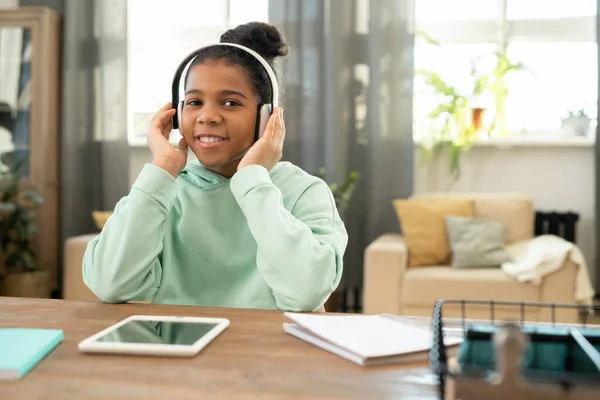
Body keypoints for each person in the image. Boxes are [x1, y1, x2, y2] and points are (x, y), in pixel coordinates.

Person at [82, 22, 348, 312]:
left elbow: (306, 292)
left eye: (231, 103)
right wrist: (162, 169)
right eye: (194, 101)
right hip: (182, 349)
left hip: (270, 352)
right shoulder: (166, 189)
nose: (207, 116)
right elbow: (109, 283)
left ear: (267, 117)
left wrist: (252, 182)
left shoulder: (303, 192)